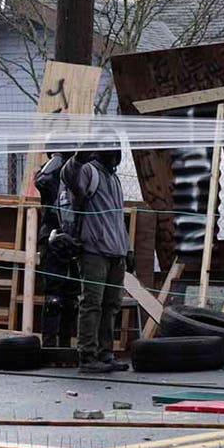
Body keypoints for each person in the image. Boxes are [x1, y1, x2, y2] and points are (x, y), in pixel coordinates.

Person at [61, 142, 132, 373]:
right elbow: (69, 176)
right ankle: (88, 355)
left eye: (117, 147)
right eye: (111, 147)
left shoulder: (114, 179)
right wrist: (78, 158)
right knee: (92, 303)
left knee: (111, 304)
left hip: (116, 252)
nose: (116, 153)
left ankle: (106, 353)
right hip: (94, 251)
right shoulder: (89, 171)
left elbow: (118, 218)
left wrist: (127, 249)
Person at [34, 140, 80, 348]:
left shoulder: (75, 173)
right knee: (53, 296)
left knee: (71, 297)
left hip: (73, 237)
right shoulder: (51, 172)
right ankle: (50, 346)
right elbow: (41, 181)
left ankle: (65, 346)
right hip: (51, 236)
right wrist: (58, 158)